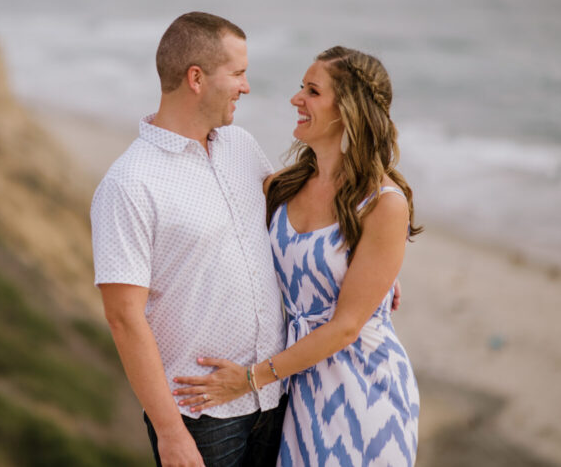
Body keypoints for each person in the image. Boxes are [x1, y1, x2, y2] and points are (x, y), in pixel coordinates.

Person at [173, 46, 422, 466]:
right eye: (300, 88)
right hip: (298, 391)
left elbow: (345, 327)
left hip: (363, 390)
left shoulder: (383, 204)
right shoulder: (282, 188)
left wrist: (247, 381)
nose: (296, 99)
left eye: (312, 91)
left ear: (348, 111)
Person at [91, 12, 289, 467]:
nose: (246, 86)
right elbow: (123, 318)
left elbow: (298, 217)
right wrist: (170, 434)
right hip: (203, 420)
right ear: (196, 78)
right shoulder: (129, 183)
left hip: (274, 395)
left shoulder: (240, 144)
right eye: (238, 73)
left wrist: (355, 261)